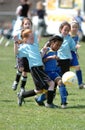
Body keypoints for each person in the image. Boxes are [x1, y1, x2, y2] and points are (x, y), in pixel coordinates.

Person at [15, 28, 58, 108]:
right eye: (30, 37)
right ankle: (49, 103)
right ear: (25, 39)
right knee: (51, 83)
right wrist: (15, 42)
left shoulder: (35, 45)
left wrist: (43, 51)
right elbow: (17, 53)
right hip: (35, 69)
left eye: (33, 36)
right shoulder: (25, 47)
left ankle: (22, 95)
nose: (33, 38)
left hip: (40, 68)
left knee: (40, 90)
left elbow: (39, 56)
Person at [35, 35, 68, 108]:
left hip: (54, 72)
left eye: (60, 45)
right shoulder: (47, 50)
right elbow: (41, 60)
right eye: (57, 45)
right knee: (52, 90)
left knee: (58, 86)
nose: (58, 47)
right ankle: (40, 100)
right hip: (46, 73)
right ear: (52, 43)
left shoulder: (56, 52)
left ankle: (63, 103)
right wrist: (50, 57)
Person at [12, 18, 32, 94]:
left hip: (29, 56)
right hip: (21, 55)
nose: (27, 25)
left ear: (31, 25)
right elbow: (16, 44)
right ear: (22, 25)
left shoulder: (32, 34)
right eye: (26, 24)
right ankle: (16, 81)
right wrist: (16, 53)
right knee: (21, 68)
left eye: (29, 24)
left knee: (25, 72)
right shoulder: (20, 34)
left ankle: (22, 88)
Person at [70, 20, 85, 89]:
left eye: (76, 27)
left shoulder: (77, 36)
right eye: (73, 27)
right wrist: (75, 46)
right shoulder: (67, 36)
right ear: (70, 28)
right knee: (63, 70)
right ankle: (59, 83)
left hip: (73, 54)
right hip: (66, 55)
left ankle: (80, 84)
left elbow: (75, 46)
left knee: (78, 67)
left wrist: (76, 52)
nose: (75, 29)